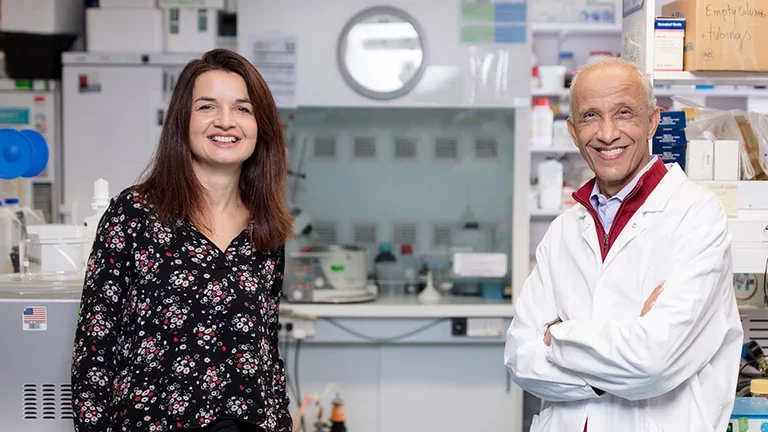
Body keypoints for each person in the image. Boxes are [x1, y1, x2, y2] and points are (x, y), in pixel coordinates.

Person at [504, 56, 743, 432]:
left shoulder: (697, 216)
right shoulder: (563, 230)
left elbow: (654, 361)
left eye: (624, 113)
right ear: (573, 131)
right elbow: (520, 358)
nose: (607, 133)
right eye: (590, 116)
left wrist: (557, 336)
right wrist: (626, 345)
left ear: (652, 121)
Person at [71, 49, 294, 432]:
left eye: (242, 109)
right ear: (182, 120)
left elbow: (267, 347)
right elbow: (95, 344)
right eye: (207, 106)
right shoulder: (134, 214)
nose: (226, 121)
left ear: (260, 125)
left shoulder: (265, 227)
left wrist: (283, 422)